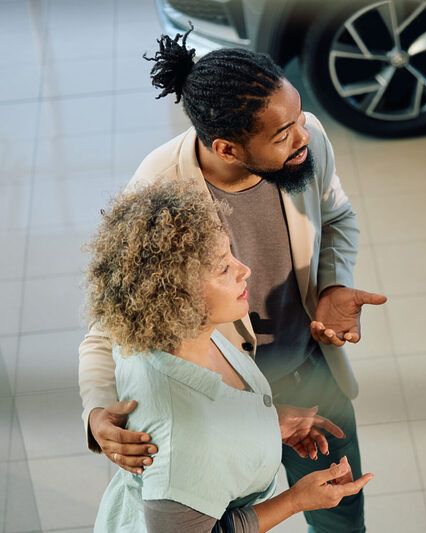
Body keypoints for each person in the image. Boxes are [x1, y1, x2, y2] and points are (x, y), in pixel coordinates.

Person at [79, 28, 386, 532]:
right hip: (221, 399)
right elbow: (109, 324)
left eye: (299, 117)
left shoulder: (307, 142)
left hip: (310, 370)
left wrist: (331, 286)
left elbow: (339, 217)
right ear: (226, 146)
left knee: (340, 504)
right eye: (283, 134)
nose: (304, 135)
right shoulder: (159, 190)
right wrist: (97, 412)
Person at [86, 181, 373, 532]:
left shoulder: (169, 338)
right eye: (223, 268)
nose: (244, 269)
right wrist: (296, 500)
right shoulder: (184, 435)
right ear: (179, 297)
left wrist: (263, 425)